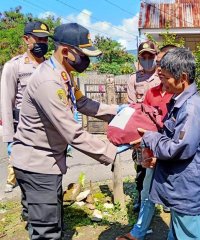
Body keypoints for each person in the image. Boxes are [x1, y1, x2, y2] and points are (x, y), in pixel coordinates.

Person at [11, 23, 125, 240]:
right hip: (37, 165)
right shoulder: (48, 82)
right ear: (65, 51)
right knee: (47, 231)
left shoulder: (63, 74)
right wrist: (111, 150)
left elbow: (82, 103)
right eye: (83, 54)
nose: (87, 60)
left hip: (47, 163)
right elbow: (72, 132)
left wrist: (117, 111)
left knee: (52, 222)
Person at [133, 48, 200, 240]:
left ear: (182, 77)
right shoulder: (180, 101)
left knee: (189, 233)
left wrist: (150, 137)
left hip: (186, 188)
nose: (162, 82)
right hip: (180, 186)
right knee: (178, 231)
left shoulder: (191, 108)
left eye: (166, 77)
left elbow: (177, 148)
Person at [116, 44, 176, 240]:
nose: (158, 67)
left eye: (162, 63)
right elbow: (141, 120)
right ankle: (138, 232)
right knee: (146, 191)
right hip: (153, 149)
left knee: (175, 197)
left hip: (174, 152)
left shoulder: (182, 94)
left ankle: (174, 235)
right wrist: (142, 148)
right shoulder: (151, 92)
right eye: (157, 63)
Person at [1, 21, 50, 193]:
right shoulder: (14, 66)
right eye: (38, 39)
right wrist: (9, 138)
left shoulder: (51, 66)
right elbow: (6, 103)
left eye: (45, 40)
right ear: (26, 39)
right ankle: (30, 215)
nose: (42, 43)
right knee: (29, 181)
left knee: (49, 178)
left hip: (49, 133)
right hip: (24, 132)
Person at [127, 40, 161, 212]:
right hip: (141, 130)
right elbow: (131, 106)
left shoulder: (163, 76)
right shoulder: (133, 79)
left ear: (156, 56)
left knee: (163, 164)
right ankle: (140, 198)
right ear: (139, 58)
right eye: (144, 56)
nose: (147, 59)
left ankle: (163, 200)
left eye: (150, 55)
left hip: (160, 128)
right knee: (141, 166)